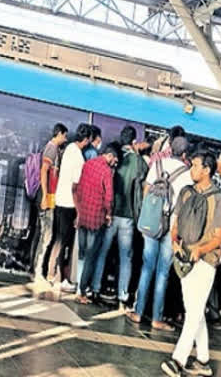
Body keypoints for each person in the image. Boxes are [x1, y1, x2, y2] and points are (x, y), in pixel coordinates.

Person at [161, 151, 221, 377]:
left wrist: (200, 250)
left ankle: (178, 359)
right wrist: (174, 241)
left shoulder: (218, 199)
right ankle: (203, 360)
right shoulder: (185, 192)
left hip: (205, 261)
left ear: (207, 169)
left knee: (194, 310)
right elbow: (176, 221)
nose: (192, 169)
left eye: (196, 165)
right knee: (194, 310)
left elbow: (219, 236)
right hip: (184, 258)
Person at [127, 136, 191, 331]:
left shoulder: (157, 164)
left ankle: (138, 313)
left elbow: (146, 191)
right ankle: (156, 318)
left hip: (152, 223)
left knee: (147, 267)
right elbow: (185, 206)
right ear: (185, 154)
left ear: (170, 149)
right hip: (171, 227)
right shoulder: (186, 174)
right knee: (163, 272)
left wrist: (148, 216)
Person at [91, 126, 148, 308]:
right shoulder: (138, 161)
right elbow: (144, 176)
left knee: (103, 252)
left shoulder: (113, 155)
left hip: (109, 212)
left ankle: (95, 288)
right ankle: (123, 295)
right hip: (128, 215)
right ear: (133, 141)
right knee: (126, 257)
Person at [74, 142, 121, 304]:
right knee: (90, 256)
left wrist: (78, 212)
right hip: (96, 219)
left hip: (83, 215)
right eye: (114, 160)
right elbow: (109, 198)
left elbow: (79, 189)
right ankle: (82, 292)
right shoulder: (106, 171)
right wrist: (108, 214)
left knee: (81, 253)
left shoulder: (87, 165)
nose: (114, 163)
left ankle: (77, 286)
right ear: (109, 156)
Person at [49, 123, 91, 290]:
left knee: (57, 238)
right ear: (86, 140)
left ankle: (51, 272)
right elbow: (75, 187)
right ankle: (58, 278)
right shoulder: (79, 158)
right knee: (64, 241)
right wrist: (79, 211)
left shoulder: (68, 150)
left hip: (60, 199)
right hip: (69, 203)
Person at [32, 123, 68, 284]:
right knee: (46, 236)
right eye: (64, 135)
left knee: (44, 235)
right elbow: (44, 170)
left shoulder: (52, 149)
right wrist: (45, 195)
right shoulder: (52, 149)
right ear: (58, 134)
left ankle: (37, 269)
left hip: (49, 196)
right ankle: (38, 270)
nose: (65, 139)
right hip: (48, 197)